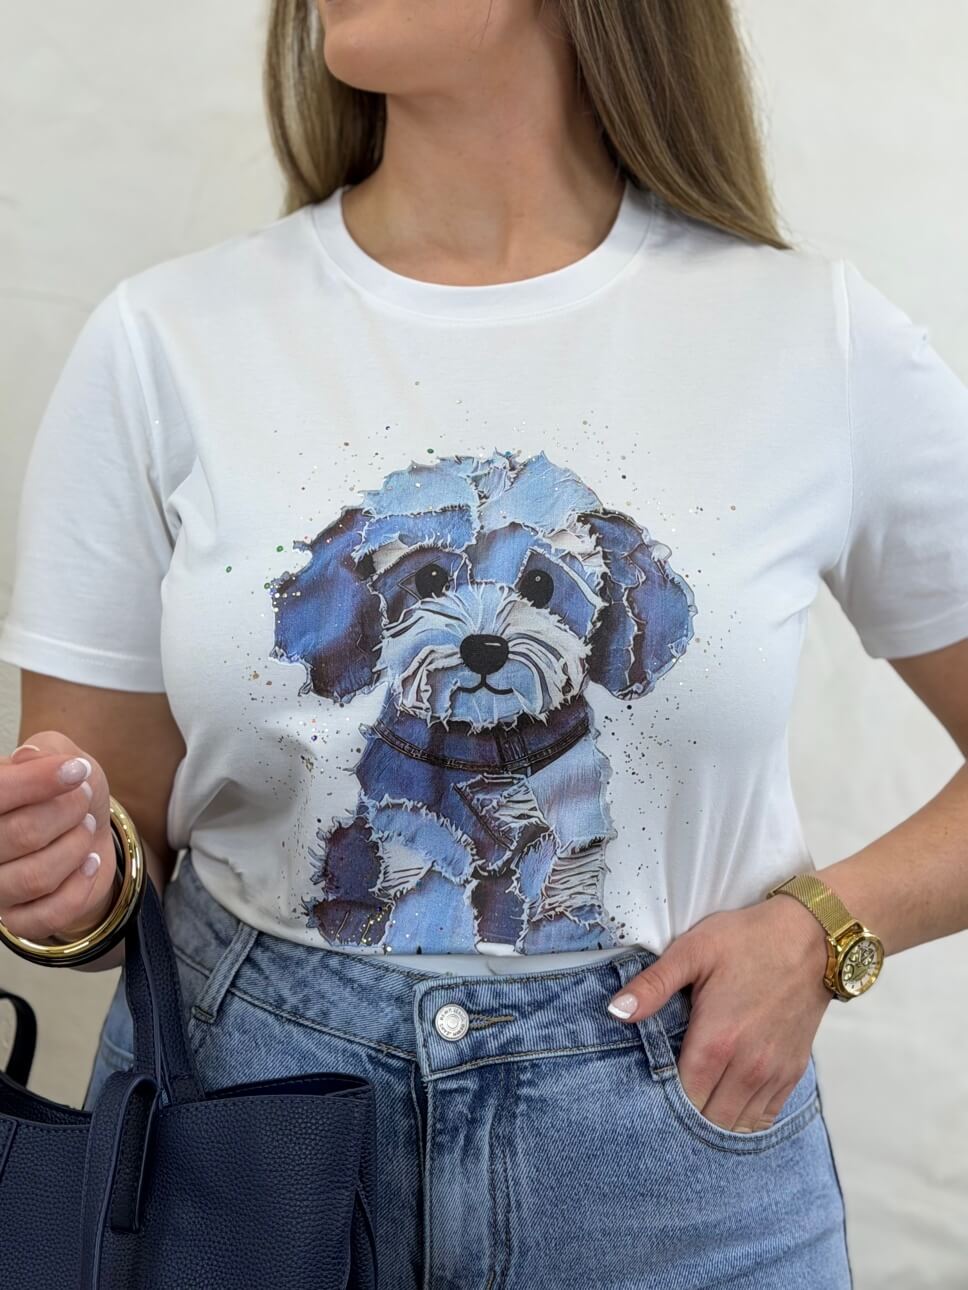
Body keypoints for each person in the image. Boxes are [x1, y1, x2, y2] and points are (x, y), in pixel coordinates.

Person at [2, 1, 968, 1285]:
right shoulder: (163, 340)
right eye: (424, 588)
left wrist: (822, 930)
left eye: (539, 590)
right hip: (244, 1144)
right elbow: (113, 838)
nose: (475, 633)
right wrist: (62, 881)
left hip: (671, 1167)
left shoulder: (813, 337)